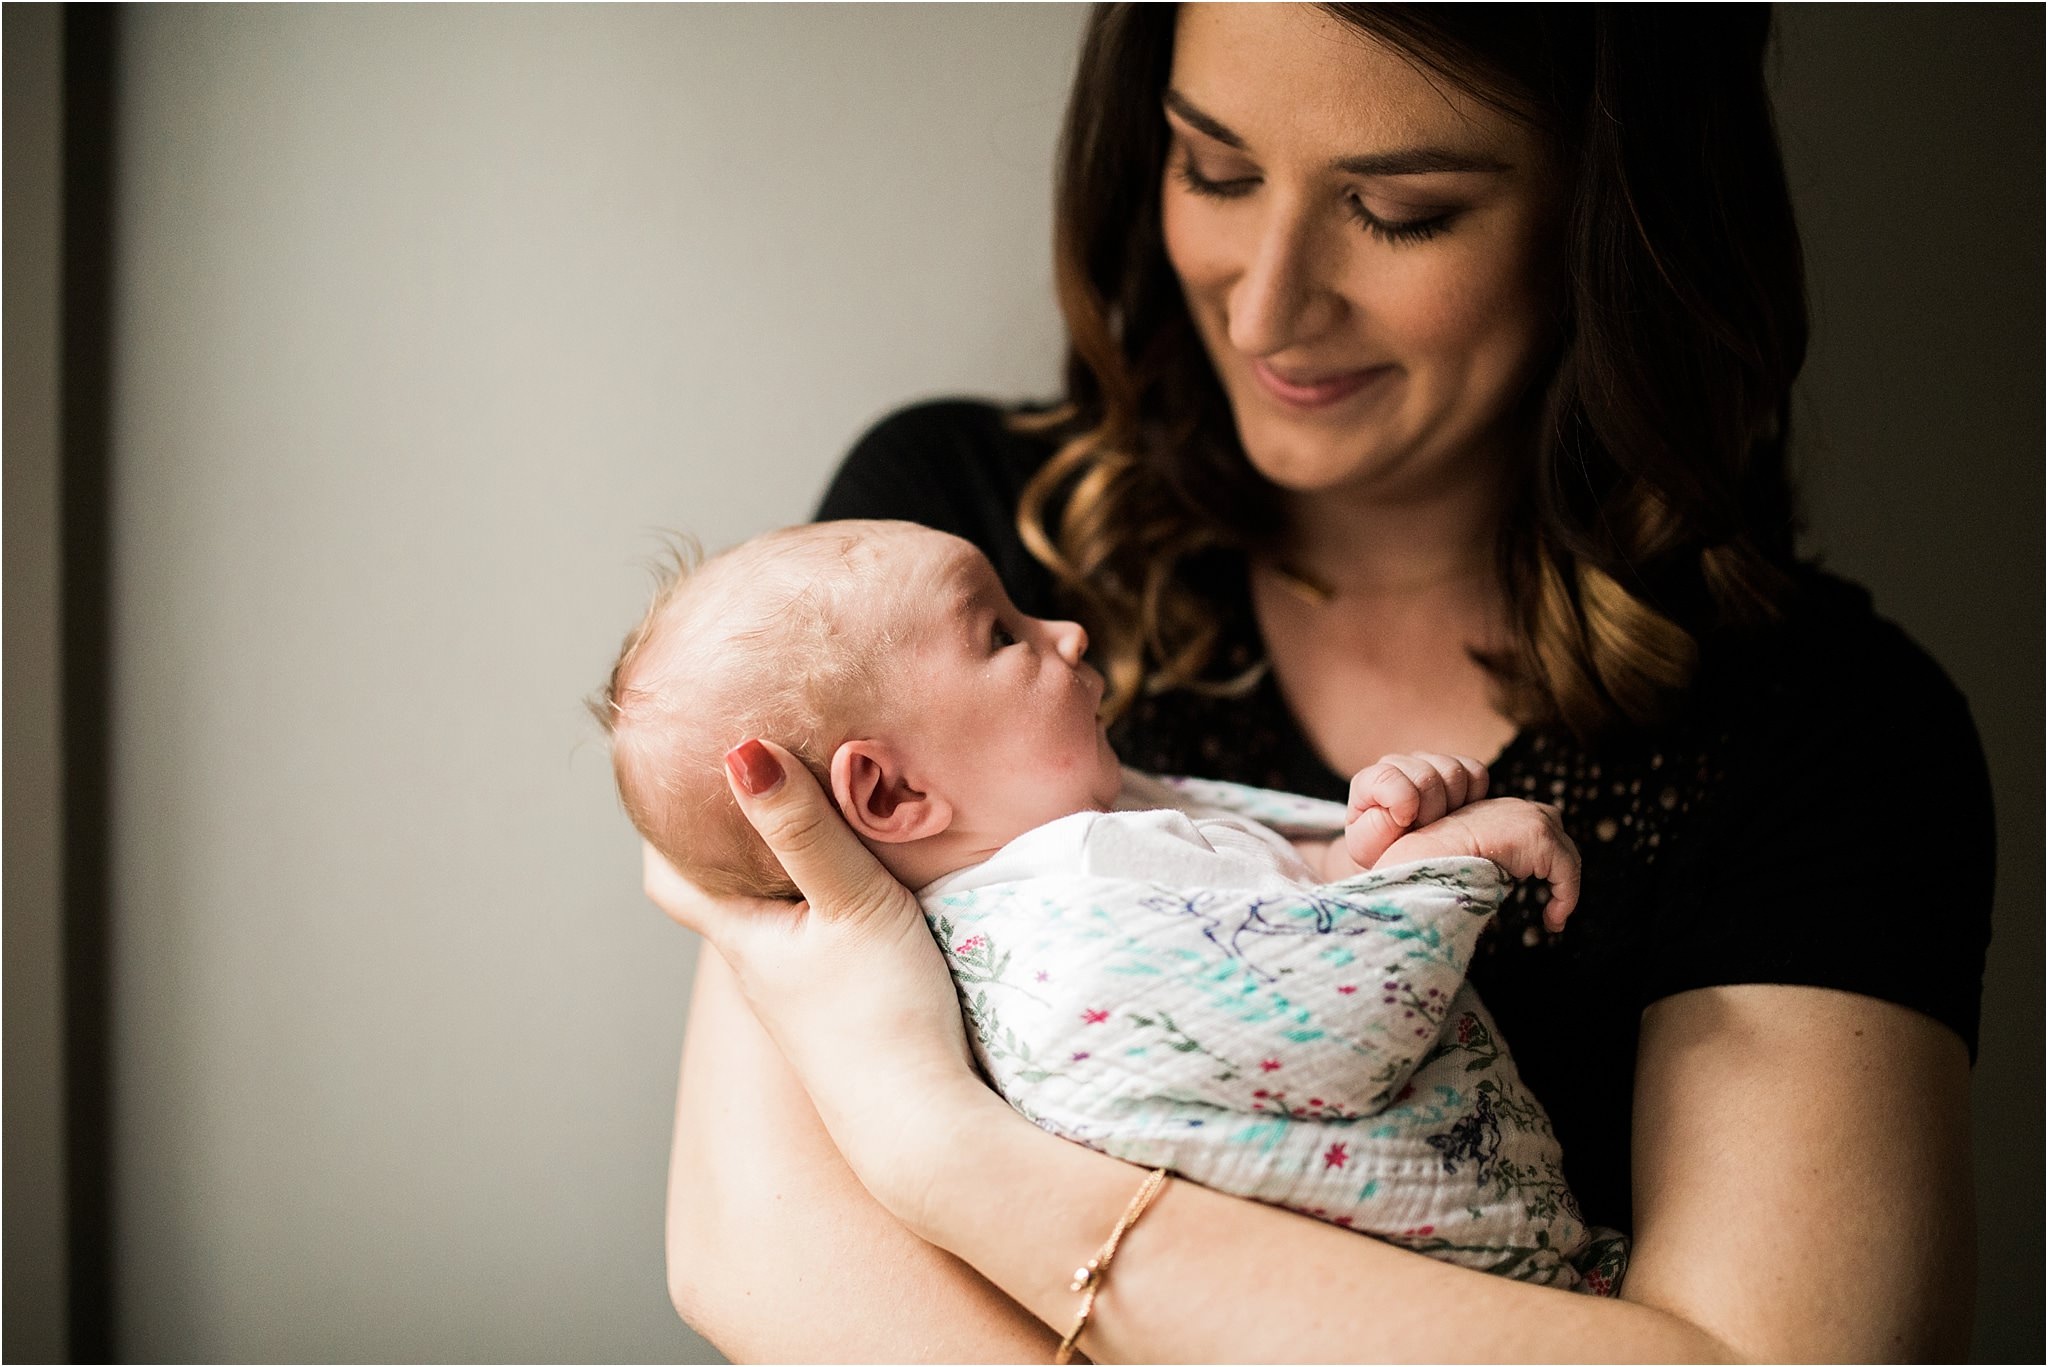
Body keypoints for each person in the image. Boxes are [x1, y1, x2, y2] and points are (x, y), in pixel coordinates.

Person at [650, 6, 1990, 1359]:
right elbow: (753, 1255)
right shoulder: (925, 558)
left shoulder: (1831, 734)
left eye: (1401, 210)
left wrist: (929, 1136)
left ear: (1608, 217)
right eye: (1215, 171)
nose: (1267, 303)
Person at [595, 517, 1616, 1287]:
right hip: (1462, 1280)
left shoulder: (1077, 851)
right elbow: (1346, 1016)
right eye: (1001, 632)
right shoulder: (1073, 928)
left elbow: (1267, 886)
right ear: (892, 793)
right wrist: (1440, 869)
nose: (1069, 632)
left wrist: (1361, 847)